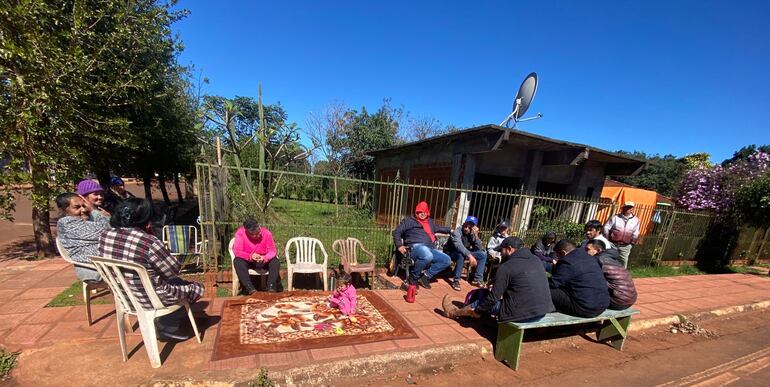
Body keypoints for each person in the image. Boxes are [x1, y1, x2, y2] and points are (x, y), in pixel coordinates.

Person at [98, 198, 203, 340]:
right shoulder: (148, 241)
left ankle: (164, 321)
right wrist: (152, 235)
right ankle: (168, 326)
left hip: (124, 296)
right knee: (196, 288)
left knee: (175, 281)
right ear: (146, 219)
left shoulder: (105, 235)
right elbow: (173, 270)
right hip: (150, 298)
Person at [441, 237, 554, 323]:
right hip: (542, 312)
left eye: (502, 251)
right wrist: (496, 280)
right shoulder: (536, 260)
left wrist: (478, 310)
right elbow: (519, 276)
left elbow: (493, 298)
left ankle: (454, 313)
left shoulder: (506, 267)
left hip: (521, 315)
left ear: (509, 249)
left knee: (481, 302)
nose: (500, 254)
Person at [392, 201, 452, 289]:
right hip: (415, 248)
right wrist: (399, 245)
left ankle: (425, 276)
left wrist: (450, 230)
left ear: (427, 212)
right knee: (427, 255)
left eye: (424, 212)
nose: (422, 214)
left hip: (430, 248)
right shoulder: (408, 221)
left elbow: (439, 228)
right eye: (419, 212)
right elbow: (397, 232)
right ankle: (413, 277)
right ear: (416, 212)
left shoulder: (430, 222)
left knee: (446, 260)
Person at [55, 192, 111, 282]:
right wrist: (93, 210)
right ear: (64, 210)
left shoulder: (82, 221)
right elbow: (107, 230)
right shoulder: (67, 223)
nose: (84, 210)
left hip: (105, 266)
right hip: (94, 270)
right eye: (77, 207)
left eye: (84, 206)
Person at [549, 239, 610, 318]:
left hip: (585, 309)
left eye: (557, 255)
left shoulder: (567, 261)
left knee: (545, 290)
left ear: (563, 253)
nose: (557, 258)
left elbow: (553, 283)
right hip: (602, 305)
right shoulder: (590, 258)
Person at [585, 240, 638, 310]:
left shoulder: (597, 259)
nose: (585, 252)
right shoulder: (610, 258)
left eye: (587, 249)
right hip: (631, 299)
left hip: (618, 302)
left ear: (598, 250)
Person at [232, 218, 280, 294]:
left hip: (263, 260)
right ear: (246, 231)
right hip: (248, 260)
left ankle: (271, 287)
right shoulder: (240, 233)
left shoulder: (267, 233)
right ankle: (249, 288)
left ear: (259, 227)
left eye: (258, 233)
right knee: (237, 261)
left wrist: (265, 258)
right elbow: (237, 251)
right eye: (252, 234)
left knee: (275, 261)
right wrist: (250, 256)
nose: (256, 236)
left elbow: (272, 251)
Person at [445, 215, 487, 290]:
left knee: (483, 254)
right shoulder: (457, 232)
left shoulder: (472, 234)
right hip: (452, 252)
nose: (467, 228)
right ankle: (456, 280)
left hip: (465, 252)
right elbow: (459, 246)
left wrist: (476, 235)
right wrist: (470, 256)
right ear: (464, 223)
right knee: (461, 254)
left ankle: (477, 280)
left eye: (470, 227)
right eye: (466, 226)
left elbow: (480, 247)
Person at [603, 201, 641, 268]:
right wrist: (607, 239)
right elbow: (606, 227)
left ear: (633, 209)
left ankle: (622, 276)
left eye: (630, 207)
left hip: (625, 245)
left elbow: (636, 232)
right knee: (609, 259)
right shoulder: (615, 217)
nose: (628, 209)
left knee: (623, 261)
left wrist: (632, 243)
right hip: (612, 243)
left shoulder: (636, 220)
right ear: (623, 208)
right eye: (626, 207)